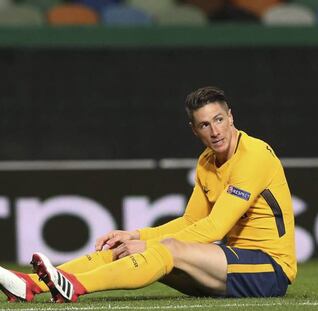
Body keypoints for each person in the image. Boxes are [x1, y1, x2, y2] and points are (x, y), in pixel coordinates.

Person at [0, 86, 297, 303]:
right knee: (121, 248)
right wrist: (135, 236)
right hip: (228, 267)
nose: (214, 131)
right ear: (194, 130)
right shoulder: (207, 161)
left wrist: (147, 243)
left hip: (267, 269)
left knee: (168, 249)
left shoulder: (253, 156)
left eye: (219, 119)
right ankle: (31, 284)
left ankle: (73, 285)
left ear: (231, 117)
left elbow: (214, 228)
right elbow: (191, 221)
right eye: (204, 125)